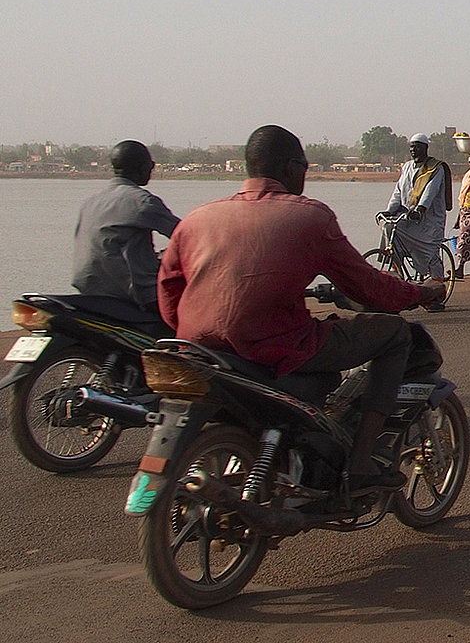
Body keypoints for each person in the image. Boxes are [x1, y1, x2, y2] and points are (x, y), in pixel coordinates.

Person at [158, 125, 445, 492]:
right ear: (292, 168)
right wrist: (418, 292)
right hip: (277, 346)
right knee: (394, 334)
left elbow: (169, 297)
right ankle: (359, 464)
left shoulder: (197, 219)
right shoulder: (310, 217)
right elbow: (370, 288)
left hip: (200, 350)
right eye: (305, 168)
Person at [72, 140, 181, 313]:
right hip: (134, 295)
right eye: (151, 165)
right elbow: (187, 236)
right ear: (141, 166)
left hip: (90, 292)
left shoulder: (91, 202)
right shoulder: (142, 202)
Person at [385, 134, 453, 306]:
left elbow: (430, 191)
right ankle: (401, 279)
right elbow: (398, 191)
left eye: (417, 147)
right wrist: (388, 210)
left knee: (431, 253)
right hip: (410, 217)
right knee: (390, 230)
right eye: (411, 147)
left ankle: (436, 296)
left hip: (430, 219)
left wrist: (421, 209)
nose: (414, 150)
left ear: (425, 148)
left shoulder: (435, 168)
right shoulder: (407, 167)